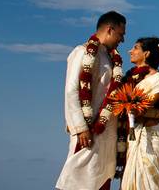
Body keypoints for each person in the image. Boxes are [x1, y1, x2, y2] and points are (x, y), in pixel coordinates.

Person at [57, 10, 127, 190]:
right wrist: (80, 128)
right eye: (121, 34)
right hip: (87, 133)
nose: (123, 39)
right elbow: (71, 91)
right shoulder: (81, 52)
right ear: (110, 29)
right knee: (79, 180)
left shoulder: (111, 59)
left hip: (107, 134)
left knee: (101, 179)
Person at [119, 36, 159, 190]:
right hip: (134, 136)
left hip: (152, 138)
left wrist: (142, 112)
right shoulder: (133, 80)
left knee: (148, 183)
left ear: (147, 54)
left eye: (136, 47)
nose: (130, 51)